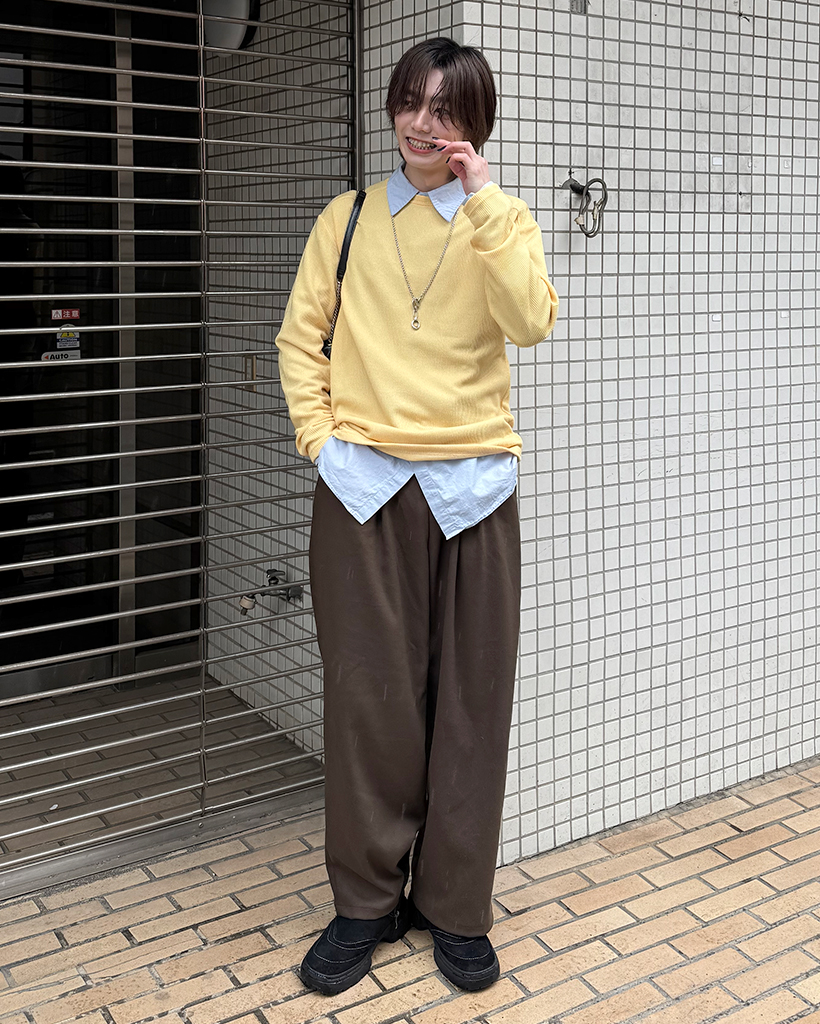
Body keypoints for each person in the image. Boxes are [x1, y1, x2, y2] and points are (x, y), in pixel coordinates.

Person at [275, 37, 558, 996]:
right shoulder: (348, 218)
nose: (422, 124)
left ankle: (455, 908)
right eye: (411, 102)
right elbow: (300, 339)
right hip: (363, 489)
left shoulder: (500, 219)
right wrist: (323, 442)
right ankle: (365, 906)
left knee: (474, 705)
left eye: (446, 110)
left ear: (474, 125)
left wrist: (483, 201)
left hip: (474, 490)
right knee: (369, 704)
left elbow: (530, 322)